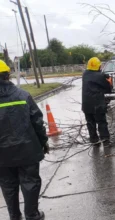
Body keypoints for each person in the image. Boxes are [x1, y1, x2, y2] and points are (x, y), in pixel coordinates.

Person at [0, 59, 48, 220]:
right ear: (7, 75)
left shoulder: (23, 95)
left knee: (8, 185)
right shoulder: (23, 95)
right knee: (30, 182)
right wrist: (43, 143)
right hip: (28, 150)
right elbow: (37, 122)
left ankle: (14, 216)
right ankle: (32, 215)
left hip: (2, 155)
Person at [82, 57, 113, 147]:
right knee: (102, 122)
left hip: (86, 104)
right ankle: (106, 141)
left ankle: (94, 141)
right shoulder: (100, 76)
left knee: (90, 123)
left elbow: (94, 77)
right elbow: (108, 89)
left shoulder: (85, 74)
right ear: (98, 66)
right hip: (97, 104)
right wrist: (109, 81)